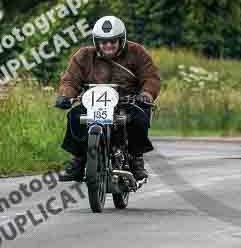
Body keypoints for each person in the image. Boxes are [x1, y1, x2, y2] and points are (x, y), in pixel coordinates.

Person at [54, 15, 161, 182]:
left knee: (139, 117)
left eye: (113, 41)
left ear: (121, 40)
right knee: (74, 116)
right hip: (93, 103)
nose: (108, 45)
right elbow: (70, 80)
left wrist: (146, 95)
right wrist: (65, 96)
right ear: (97, 42)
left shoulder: (137, 52)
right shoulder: (84, 55)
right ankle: (79, 159)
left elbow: (151, 77)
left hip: (127, 102)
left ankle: (135, 159)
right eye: (104, 42)